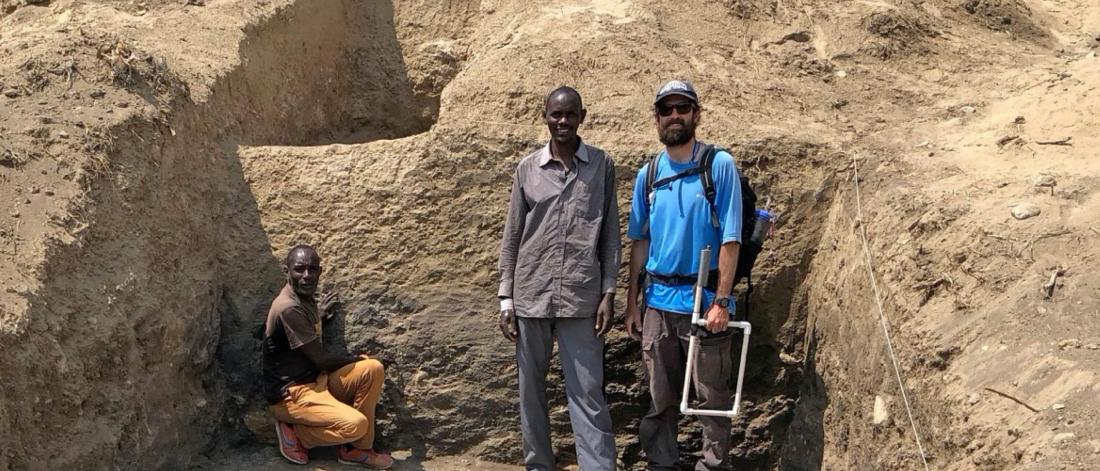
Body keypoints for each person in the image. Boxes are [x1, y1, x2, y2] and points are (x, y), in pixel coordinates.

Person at [497, 86, 620, 471]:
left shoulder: (601, 165)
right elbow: (512, 236)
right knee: (530, 391)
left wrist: (609, 292)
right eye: (556, 114)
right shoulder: (527, 170)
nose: (563, 121)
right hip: (531, 295)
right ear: (545, 117)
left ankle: (598, 466)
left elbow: (610, 235)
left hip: (582, 298)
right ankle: (539, 465)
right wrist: (505, 299)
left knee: (587, 390)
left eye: (570, 114)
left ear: (583, 115)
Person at [624, 80, 743, 471]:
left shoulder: (718, 165)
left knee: (713, 398)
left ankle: (712, 466)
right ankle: (662, 464)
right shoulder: (649, 173)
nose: (674, 115)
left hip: (703, 301)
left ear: (696, 114)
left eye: (682, 108)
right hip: (657, 303)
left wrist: (722, 301)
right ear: (657, 118)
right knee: (661, 399)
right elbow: (639, 242)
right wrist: (632, 305)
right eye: (666, 109)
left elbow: (730, 238)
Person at [262, 244, 394, 469]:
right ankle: (297, 434)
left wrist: (319, 316)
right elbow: (322, 359)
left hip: (317, 383)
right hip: (292, 395)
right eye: (299, 269)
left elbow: (306, 333)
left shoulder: (306, 301)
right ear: (287, 272)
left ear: (320, 272)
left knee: (373, 369)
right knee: (356, 424)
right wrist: (356, 359)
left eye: (312, 270)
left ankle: (356, 450)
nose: (306, 276)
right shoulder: (288, 307)